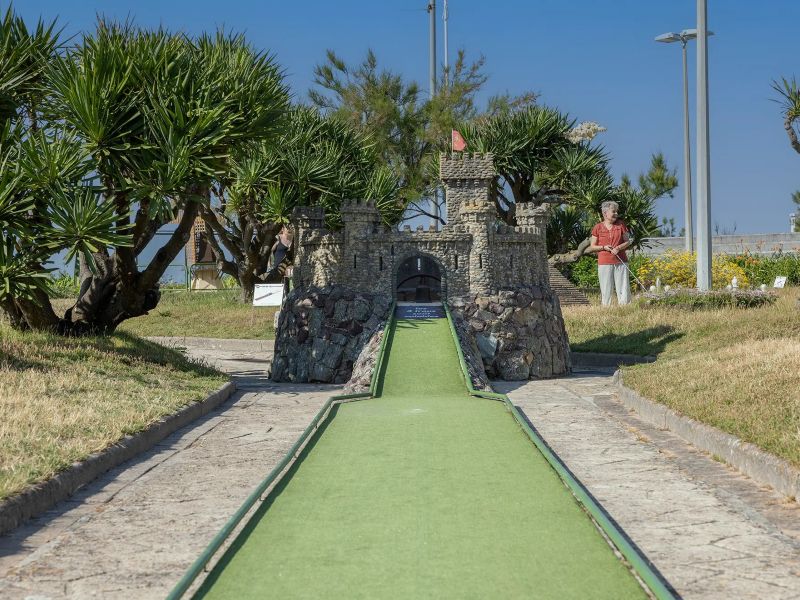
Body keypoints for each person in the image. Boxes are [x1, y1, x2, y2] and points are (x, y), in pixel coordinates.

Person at [588, 201, 633, 306]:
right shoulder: (597, 227)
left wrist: (618, 247)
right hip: (604, 262)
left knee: (623, 287)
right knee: (606, 287)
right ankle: (606, 307)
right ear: (605, 213)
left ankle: (625, 308)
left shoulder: (621, 225)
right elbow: (592, 246)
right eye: (613, 211)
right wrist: (604, 247)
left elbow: (627, 241)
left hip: (621, 261)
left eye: (617, 211)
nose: (616, 214)